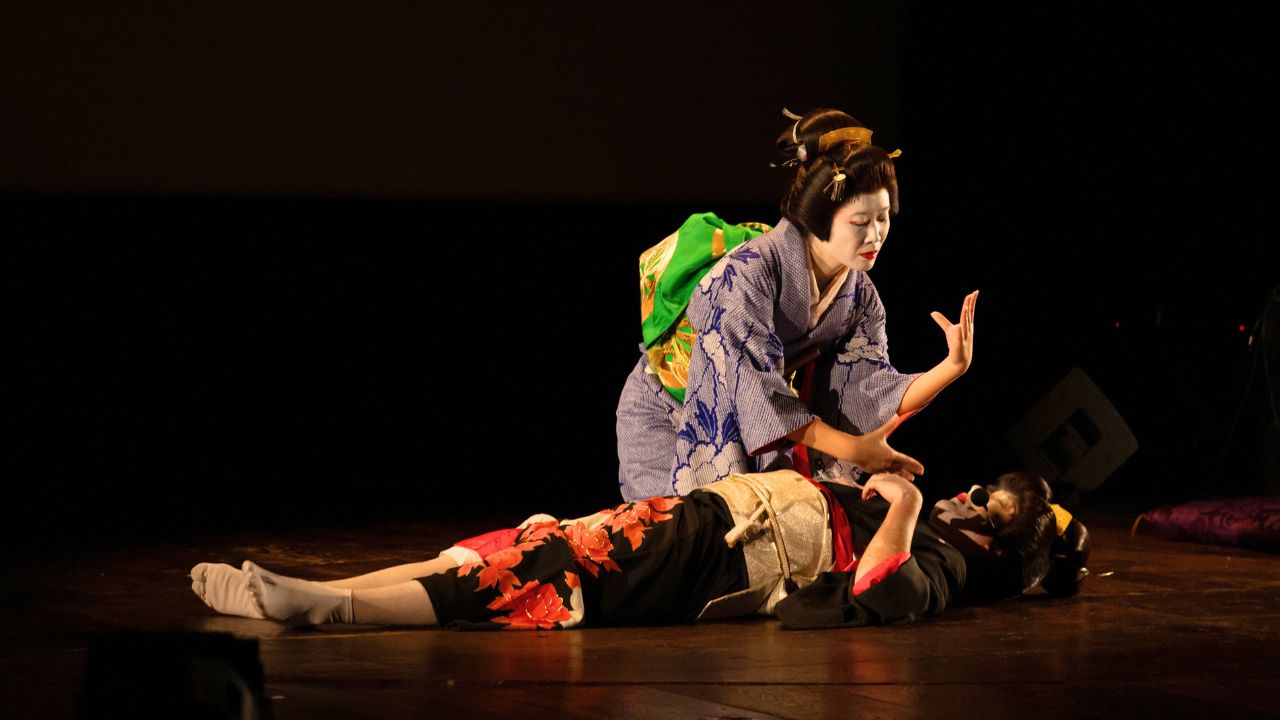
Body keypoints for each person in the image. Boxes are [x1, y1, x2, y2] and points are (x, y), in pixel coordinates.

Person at [189, 470, 1090, 630]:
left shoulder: (949, 565)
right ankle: (322, 586)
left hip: (721, 555)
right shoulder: (939, 526)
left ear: (997, 539)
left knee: (540, 576)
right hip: (709, 515)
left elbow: (883, 591)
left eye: (987, 506)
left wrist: (905, 508)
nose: (968, 497)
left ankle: (329, 609)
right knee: (521, 547)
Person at [616, 107, 979, 501]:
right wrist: (853, 449)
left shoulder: (860, 296)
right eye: (861, 221)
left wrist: (952, 367)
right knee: (677, 532)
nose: (876, 234)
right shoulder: (747, 273)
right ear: (818, 216)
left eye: (883, 217)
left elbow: (868, 388)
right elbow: (756, 390)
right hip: (667, 412)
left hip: (756, 433)